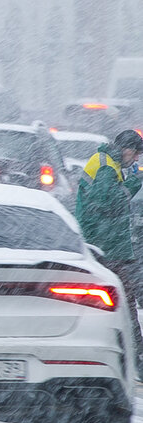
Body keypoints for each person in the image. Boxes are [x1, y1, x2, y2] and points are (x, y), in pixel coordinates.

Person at [75, 129, 143, 379]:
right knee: (124, 303)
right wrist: (134, 183)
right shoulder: (106, 167)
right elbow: (106, 203)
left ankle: (129, 358)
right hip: (107, 246)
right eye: (135, 154)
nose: (135, 160)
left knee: (118, 302)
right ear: (126, 149)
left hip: (104, 244)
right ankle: (134, 360)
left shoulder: (105, 162)